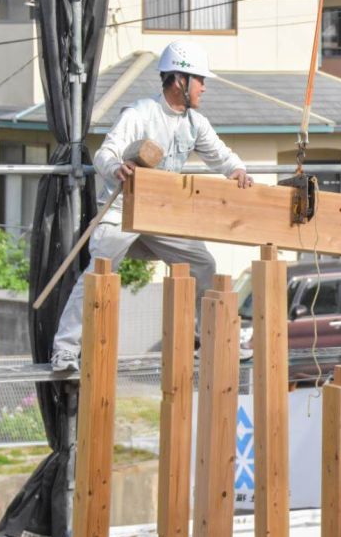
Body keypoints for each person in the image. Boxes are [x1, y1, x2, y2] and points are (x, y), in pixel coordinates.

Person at [50, 40, 254, 372]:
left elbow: (221, 155)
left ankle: (209, 340)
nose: (204, 87)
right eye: (199, 80)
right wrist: (118, 168)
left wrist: (238, 170)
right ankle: (65, 351)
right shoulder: (140, 112)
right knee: (99, 271)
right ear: (179, 80)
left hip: (160, 215)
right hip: (120, 211)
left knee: (203, 264)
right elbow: (105, 153)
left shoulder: (194, 123)